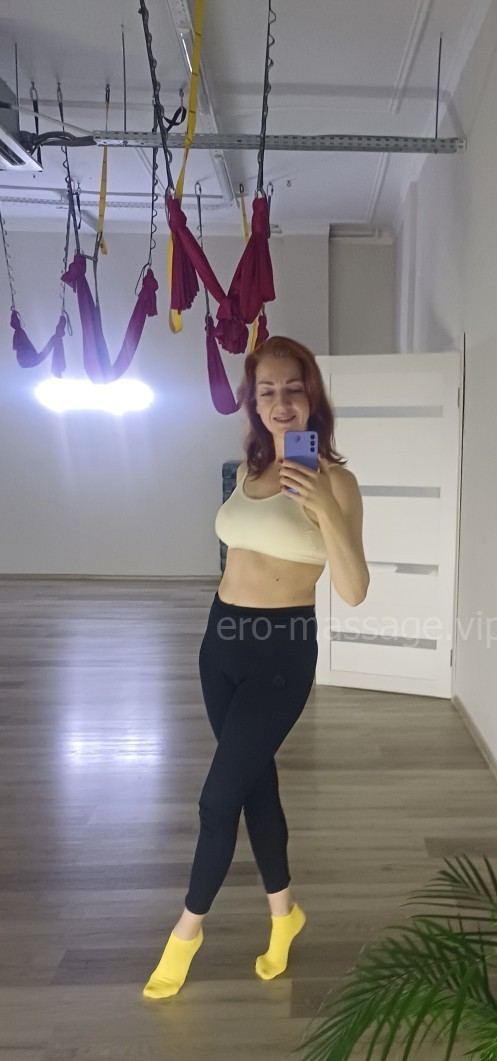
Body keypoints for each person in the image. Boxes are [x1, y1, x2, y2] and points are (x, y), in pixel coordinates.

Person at [143, 336, 369, 999]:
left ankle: (185, 934)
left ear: (312, 395)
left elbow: (354, 589)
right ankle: (284, 914)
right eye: (266, 390)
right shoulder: (248, 469)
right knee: (253, 786)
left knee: (218, 801)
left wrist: (324, 509)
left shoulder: (336, 482)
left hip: (281, 650)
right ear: (254, 401)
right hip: (220, 643)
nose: (280, 402)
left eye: (292, 388)